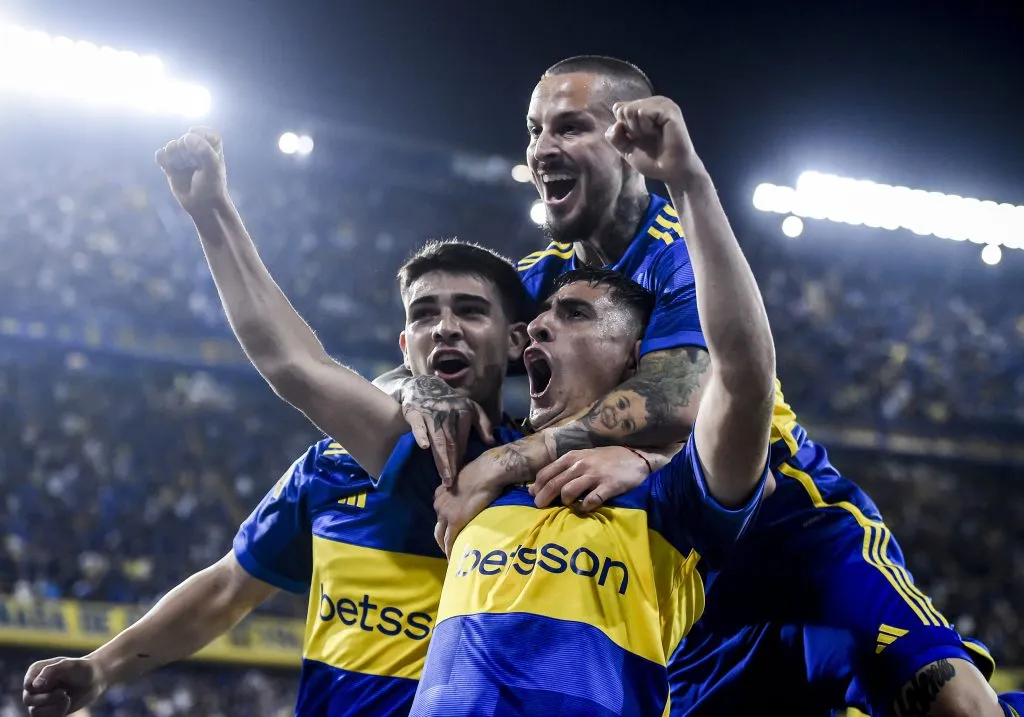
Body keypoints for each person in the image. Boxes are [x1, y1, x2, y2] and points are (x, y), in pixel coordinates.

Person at [409, 56, 1020, 717]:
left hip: (792, 524)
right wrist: (424, 389)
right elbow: (440, 347)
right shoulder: (537, 278)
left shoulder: (681, 247)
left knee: (958, 707)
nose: (541, 149)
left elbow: (683, 390)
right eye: (534, 130)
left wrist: (521, 454)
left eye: (568, 127)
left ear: (624, 139)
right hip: (683, 562)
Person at [20, 130, 656, 717]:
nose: (446, 327)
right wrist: (100, 667)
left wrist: (647, 459)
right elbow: (227, 589)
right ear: (404, 343)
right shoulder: (330, 468)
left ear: (518, 341)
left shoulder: (536, 471)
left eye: (470, 310)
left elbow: (294, 365)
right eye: (426, 313)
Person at [409, 75, 778, 712]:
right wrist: (416, 383)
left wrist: (689, 183)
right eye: (534, 131)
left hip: (798, 509)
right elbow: (313, 372)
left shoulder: (667, 487)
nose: (538, 325)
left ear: (637, 355)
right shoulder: (474, 444)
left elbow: (737, 378)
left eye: (576, 316)